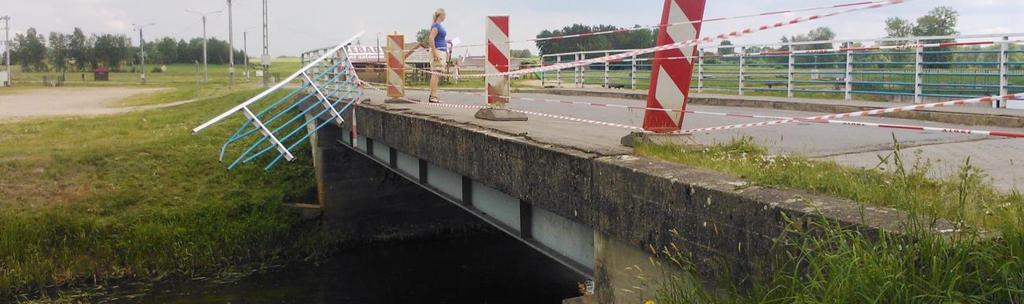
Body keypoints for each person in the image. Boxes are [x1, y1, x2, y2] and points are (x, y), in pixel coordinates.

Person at [428, 8, 449, 103]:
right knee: (436, 73)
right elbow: (431, 38)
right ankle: (433, 96)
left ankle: (433, 94)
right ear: (441, 15)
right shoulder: (436, 25)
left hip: (441, 49)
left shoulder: (438, 25)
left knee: (437, 73)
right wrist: (435, 52)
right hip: (438, 50)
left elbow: (437, 38)